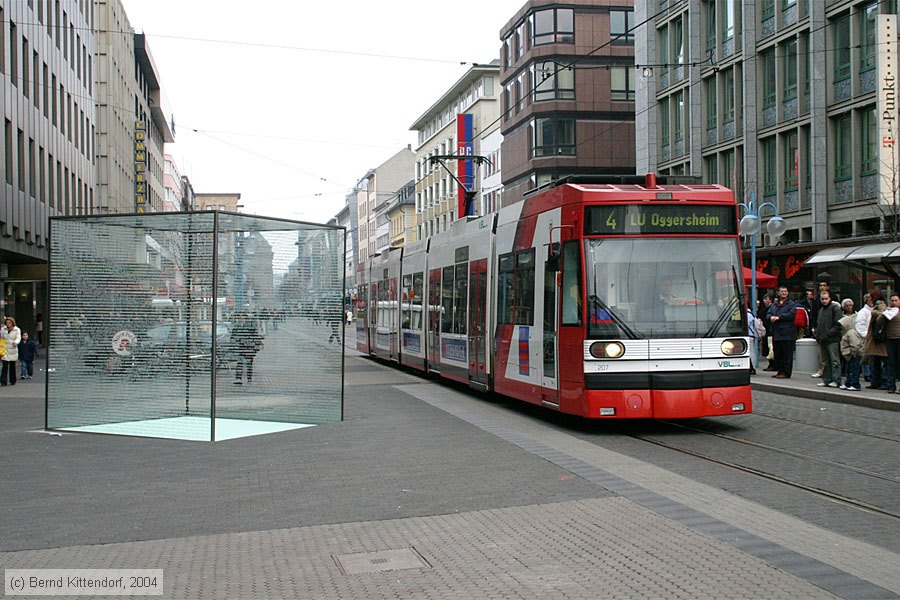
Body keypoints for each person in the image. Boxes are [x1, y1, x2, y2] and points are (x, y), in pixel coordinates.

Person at [767, 285, 797, 379]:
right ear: (778, 293)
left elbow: (791, 314)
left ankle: (786, 372)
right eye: (782, 291)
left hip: (787, 333)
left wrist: (779, 317)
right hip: (776, 333)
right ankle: (780, 371)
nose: (784, 293)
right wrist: (770, 317)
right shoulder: (774, 304)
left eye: (785, 291)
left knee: (787, 354)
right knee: (778, 354)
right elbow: (768, 314)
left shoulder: (791, 304)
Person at [814, 290, 843, 388]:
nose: (824, 301)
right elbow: (819, 323)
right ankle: (826, 379)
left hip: (832, 339)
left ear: (830, 298)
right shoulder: (822, 309)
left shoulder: (835, 308)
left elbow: (838, 324)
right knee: (825, 361)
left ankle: (836, 380)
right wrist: (818, 334)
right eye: (822, 299)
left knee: (835, 361)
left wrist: (828, 333)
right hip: (822, 338)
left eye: (826, 299)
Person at [865, 296, 889, 390]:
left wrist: (875, 312)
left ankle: (881, 382)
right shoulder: (876, 307)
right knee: (876, 362)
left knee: (880, 362)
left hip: (879, 339)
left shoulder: (880, 306)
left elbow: (882, 317)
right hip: (877, 339)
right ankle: (877, 382)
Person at [878, 293, 900, 394]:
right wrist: (885, 313)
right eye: (892, 301)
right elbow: (879, 322)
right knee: (891, 363)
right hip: (890, 339)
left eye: (896, 301)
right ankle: (891, 386)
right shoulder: (888, 310)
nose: (894, 303)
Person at [232, 314, 263, 385]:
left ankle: (248, 378)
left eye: (242, 317)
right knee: (240, 363)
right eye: (240, 317)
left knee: (248, 363)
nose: (241, 319)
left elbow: (254, 335)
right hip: (241, 347)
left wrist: (257, 344)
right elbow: (234, 336)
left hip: (249, 347)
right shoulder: (237, 326)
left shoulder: (250, 326)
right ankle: (239, 378)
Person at [839, 307, 863, 391]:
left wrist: (854, 352)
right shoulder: (846, 333)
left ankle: (855, 384)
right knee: (848, 370)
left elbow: (855, 344)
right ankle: (848, 383)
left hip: (853, 354)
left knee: (853, 370)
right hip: (848, 355)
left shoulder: (851, 333)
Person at [855, 293, 874, 382]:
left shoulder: (873, 310)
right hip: (866, 338)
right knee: (865, 357)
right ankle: (867, 374)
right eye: (871, 299)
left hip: (872, 338)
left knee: (870, 357)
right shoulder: (863, 312)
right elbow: (860, 326)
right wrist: (866, 336)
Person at [1, 316, 22, 386]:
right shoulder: (3, 329)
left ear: (12, 323)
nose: (8, 324)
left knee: (12, 366)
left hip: (13, 349)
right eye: (7, 323)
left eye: (9, 322)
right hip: (5, 349)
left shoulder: (17, 330)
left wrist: (16, 342)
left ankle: (12, 380)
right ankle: (3, 381)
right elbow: (1, 337)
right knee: (5, 365)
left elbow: (18, 337)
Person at [758, 294, 774, 369]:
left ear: (770, 300)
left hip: (769, 331)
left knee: (770, 348)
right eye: (764, 299)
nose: (764, 301)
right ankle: (771, 364)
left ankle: (772, 364)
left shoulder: (771, 308)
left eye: (766, 299)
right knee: (768, 348)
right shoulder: (765, 308)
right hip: (766, 331)